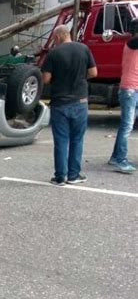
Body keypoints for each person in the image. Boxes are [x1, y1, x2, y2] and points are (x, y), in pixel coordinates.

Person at [42, 25, 97, 186]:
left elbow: (45, 79)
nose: (54, 41)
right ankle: (74, 175)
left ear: (58, 37)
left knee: (61, 141)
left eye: (54, 38)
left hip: (60, 103)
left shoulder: (54, 53)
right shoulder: (84, 49)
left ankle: (60, 177)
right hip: (80, 102)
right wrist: (80, 77)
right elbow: (94, 73)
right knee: (77, 140)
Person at [108, 18, 138, 174]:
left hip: (134, 89)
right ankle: (120, 160)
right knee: (127, 126)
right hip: (130, 90)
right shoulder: (131, 43)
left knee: (127, 125)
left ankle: (115, 157)